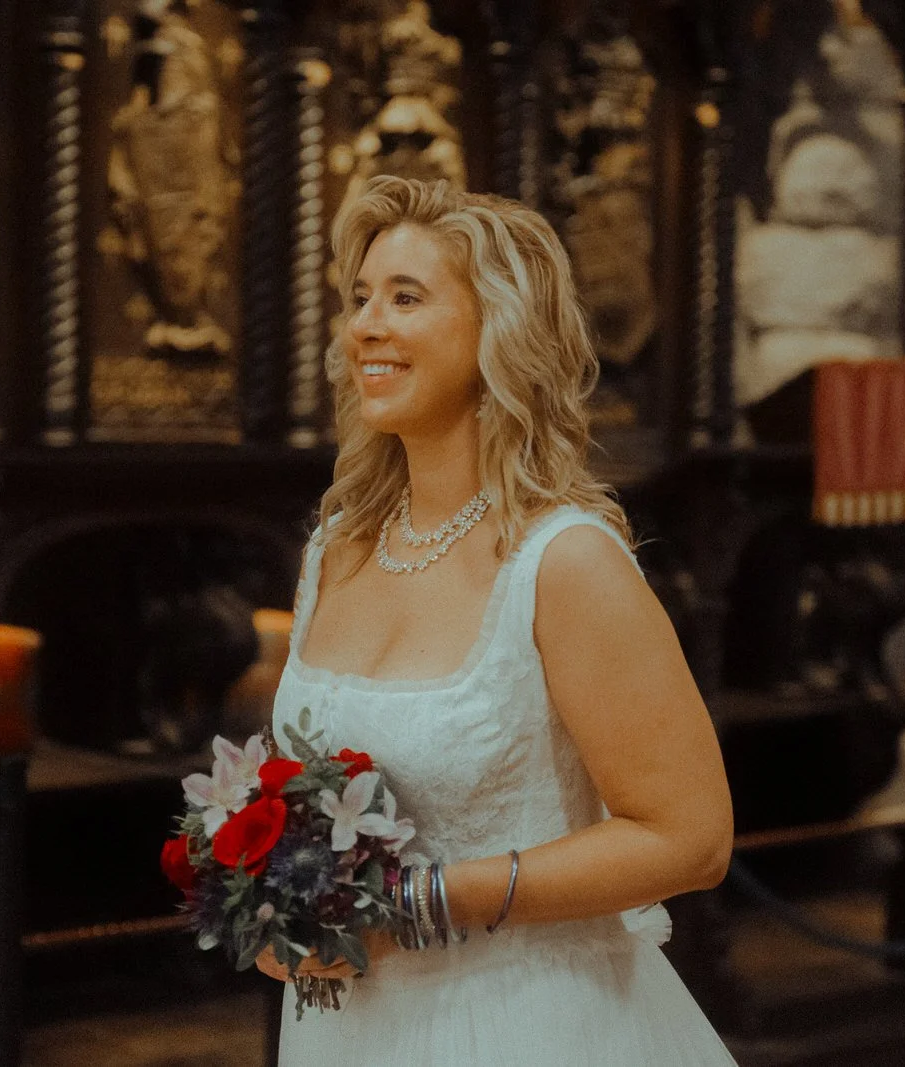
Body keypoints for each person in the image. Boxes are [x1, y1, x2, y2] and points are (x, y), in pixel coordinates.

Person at [261, 175, 738, 1065]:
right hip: (345, 1029)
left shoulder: (564, 561)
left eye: (407, 297)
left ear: (500, 333)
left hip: (524, 1022)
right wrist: (268, 896)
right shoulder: (336, 548)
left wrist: (424, 901)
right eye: (360, 298)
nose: (366, 323)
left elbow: (693, 836)